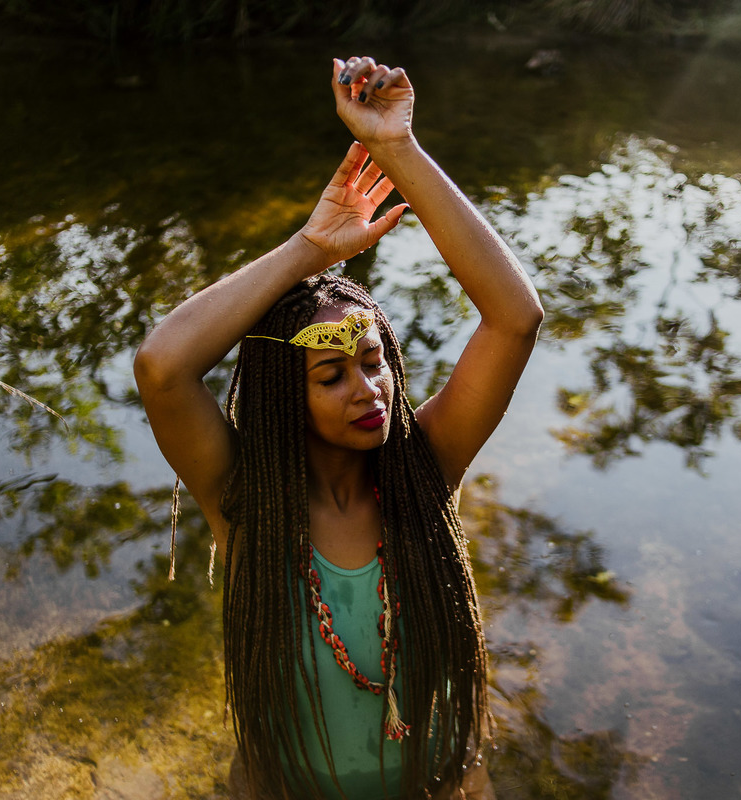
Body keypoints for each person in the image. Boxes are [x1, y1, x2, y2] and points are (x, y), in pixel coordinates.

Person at [134, 55, 543, 799]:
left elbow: (515, 319)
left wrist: (398, 148)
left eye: (375, 361)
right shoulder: (246, 502)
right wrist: (310, 250)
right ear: (283, 398)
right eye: (331, 376)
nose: (369, 390)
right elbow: (163, 368)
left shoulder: (427, 469)